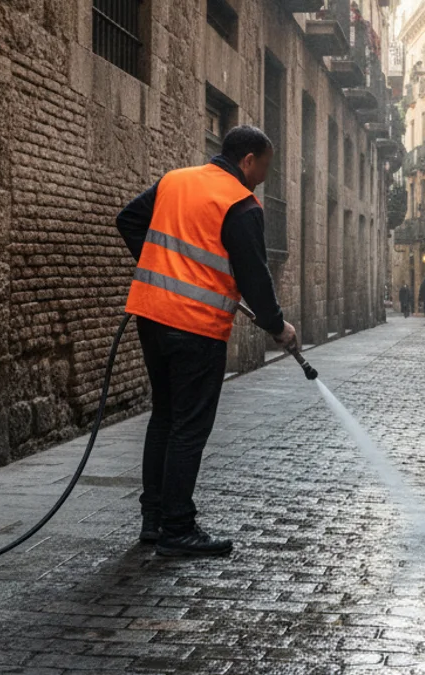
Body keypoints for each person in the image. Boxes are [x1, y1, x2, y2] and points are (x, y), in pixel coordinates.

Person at [116, 125, 298, 557]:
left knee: (164, 416)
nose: (263, 179)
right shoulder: (241, 203)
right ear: (247, 160)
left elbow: (128, 220)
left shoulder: (174, 180)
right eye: (264, 168)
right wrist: (278, 326)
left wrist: (165, 270)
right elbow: (254, 275)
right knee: (189, 427)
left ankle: (154, 521)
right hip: (195, 326)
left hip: (151, 315)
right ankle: (178, 529)